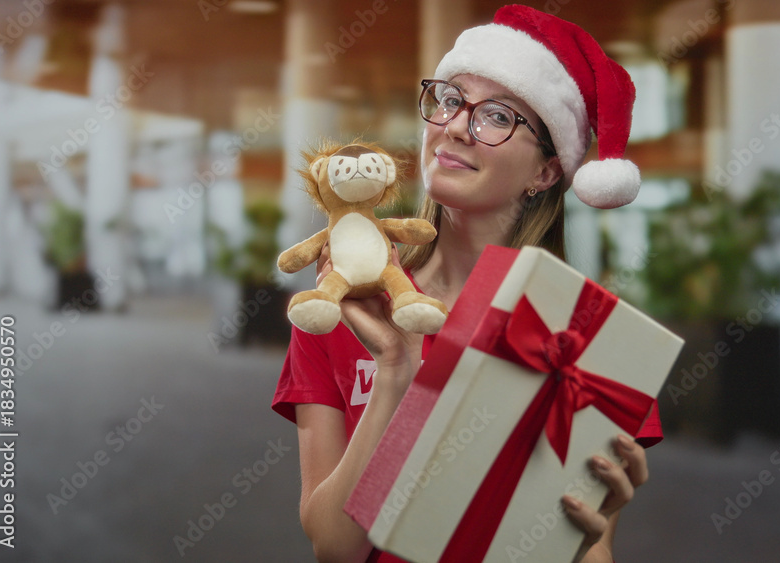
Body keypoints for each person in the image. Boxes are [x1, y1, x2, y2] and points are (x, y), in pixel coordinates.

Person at [272, 6, 655, 561]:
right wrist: (395, 376)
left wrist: (585, 538)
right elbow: (333, 548)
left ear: (547, 172)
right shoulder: (343, 304)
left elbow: (583, 555)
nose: (453, 125)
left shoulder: (585, 339)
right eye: (450, 100)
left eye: (497, 116)